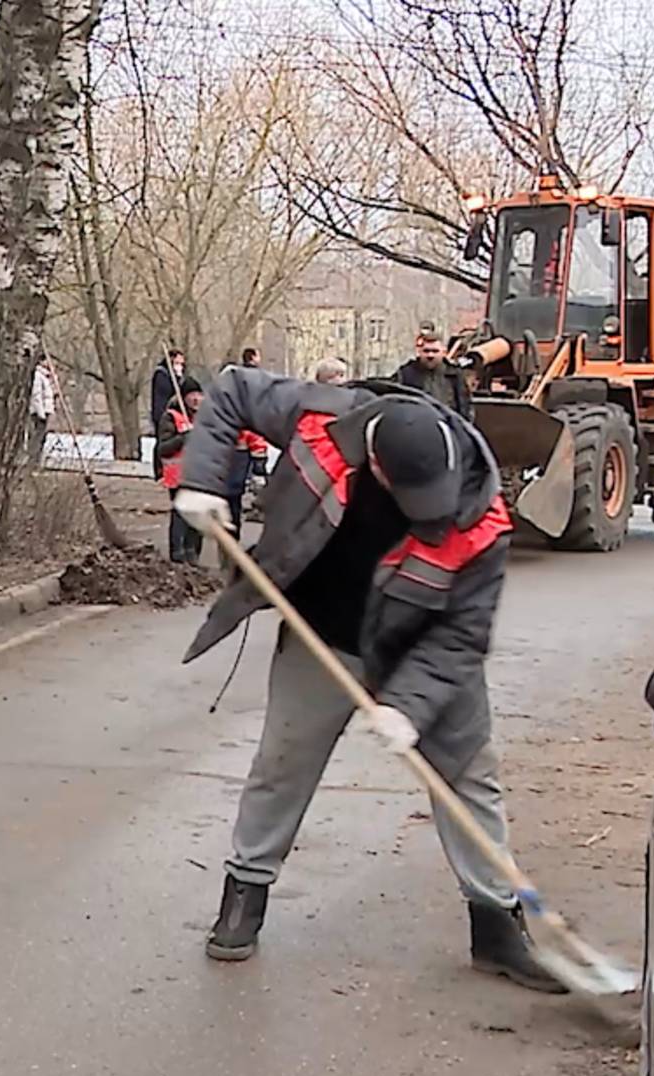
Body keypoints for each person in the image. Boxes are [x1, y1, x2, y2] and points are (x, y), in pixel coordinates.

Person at [168, 368, 564, 992]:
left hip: (422, 645)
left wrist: (409, 704)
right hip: (323, 629)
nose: (432, 517)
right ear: (377, 464)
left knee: (467, 777)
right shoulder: (319, 418)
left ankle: (497, 924)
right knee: (283, 763)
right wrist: (202, 479)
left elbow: (463, 635)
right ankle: (244, 894)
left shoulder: (478, 511)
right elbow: (231, 393)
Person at [153, 378, 203, 563]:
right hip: (179, 475)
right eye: (192, 395)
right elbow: (163, 448)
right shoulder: (171, 417)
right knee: (182, 513)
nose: (197, 399)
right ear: (184, 397)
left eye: (199, 394)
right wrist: (183, 438)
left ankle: (193, 552)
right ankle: (178, 553)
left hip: (201, 474)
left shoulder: (206, 417)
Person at [394, 328, 473, 419]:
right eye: (426, 351)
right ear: (419, 352)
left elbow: (465, 409)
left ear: (444, 352)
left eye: (435, 351)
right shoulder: (405, 374)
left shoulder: (454, 375)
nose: (430, 355)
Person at [149, 349, 189, 476]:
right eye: (178, 362)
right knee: (161, 442)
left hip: (173, 413)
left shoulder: (176, 375)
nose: (180, 365)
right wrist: (176, 377)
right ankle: (158, 469)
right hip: (161, 412)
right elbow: (167, 391)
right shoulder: (161, 374)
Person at [28, 353, 59, 466]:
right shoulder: (38, 375)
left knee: (42, 437)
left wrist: (53, 378)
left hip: (46, 410)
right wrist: (41, 413)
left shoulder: (47, 376)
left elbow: (53, 392)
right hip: (39, 411)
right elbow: (36, 396)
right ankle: (33, 461)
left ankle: (37, 460)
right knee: (37, 436)